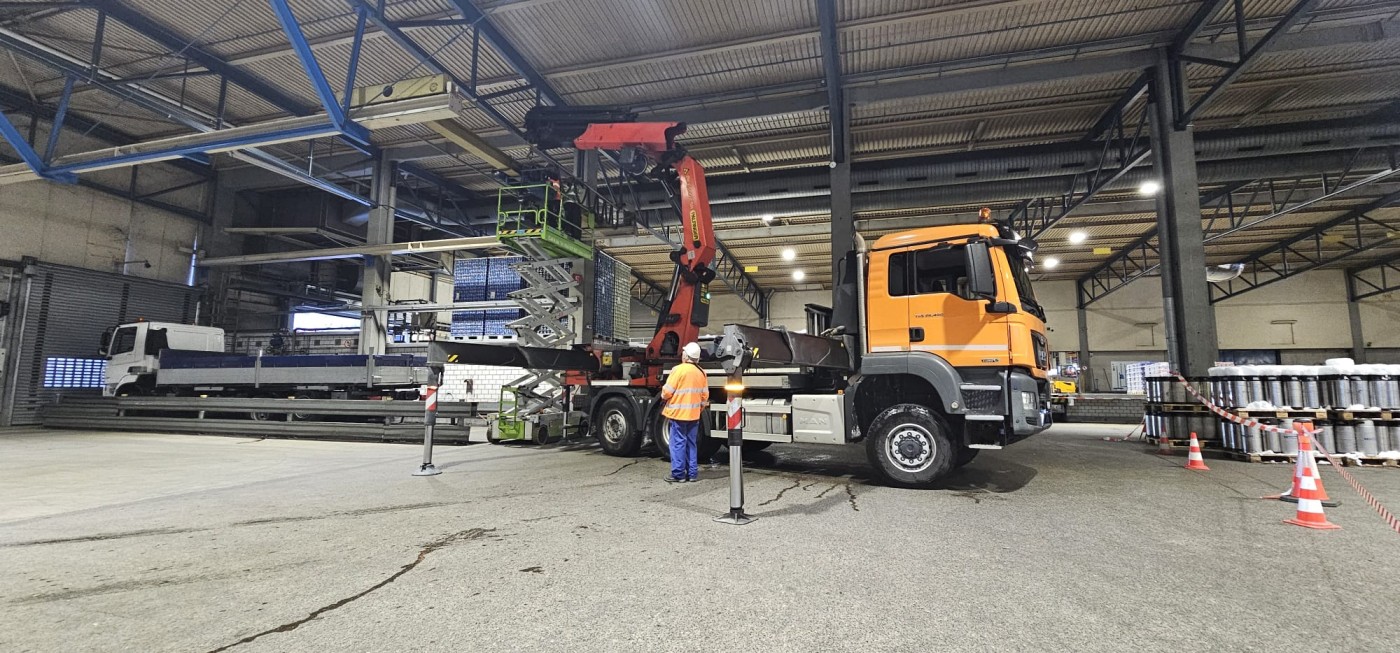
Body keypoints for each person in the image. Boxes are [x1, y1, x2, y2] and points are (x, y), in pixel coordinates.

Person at [660, 341, 709, 483]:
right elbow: (704, 396)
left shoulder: (678, 370)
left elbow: (667, 392)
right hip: (694, 415)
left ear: (686, 356)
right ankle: (692, 474)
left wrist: (663, 397)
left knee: (678, 443)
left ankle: (678, 474)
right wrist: (698, 409)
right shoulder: (701, 372)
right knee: (691, 444)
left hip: (678, 414)